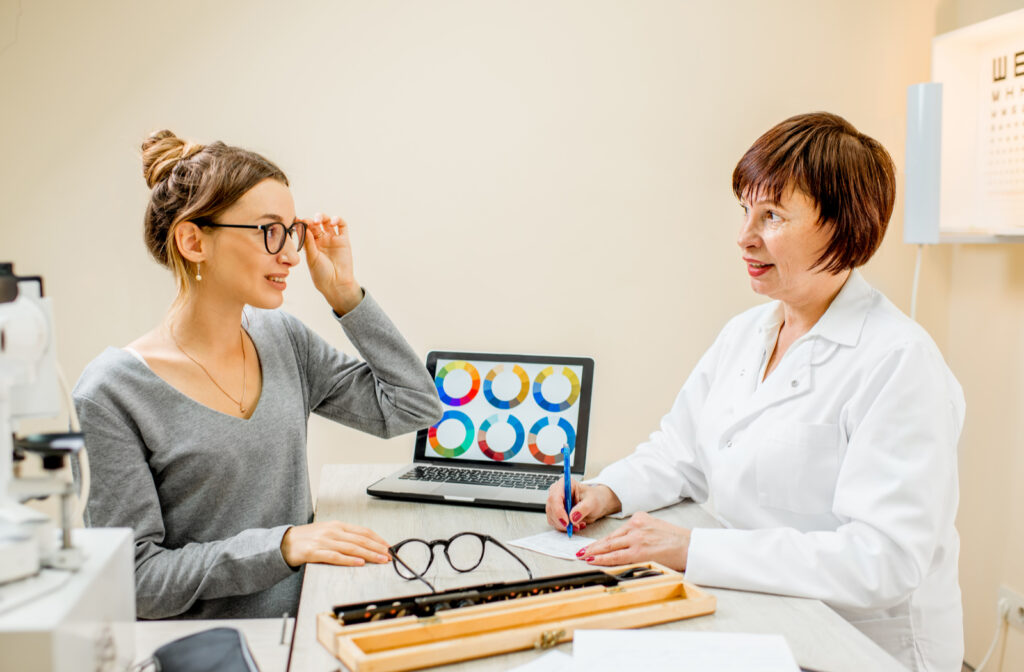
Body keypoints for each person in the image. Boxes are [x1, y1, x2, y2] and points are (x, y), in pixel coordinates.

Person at [546, 112, 964, 671]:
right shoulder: (746, 333)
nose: (745, 237)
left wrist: (693, 550)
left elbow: (881, 560)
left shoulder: (899, 362)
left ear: (844, 225)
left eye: (772, 216)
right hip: (754, 614)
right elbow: (682, 452)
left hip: (856, 647)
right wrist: (607, 491)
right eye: (746, 210)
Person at [73, 130, 443, 619]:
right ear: (192, 240)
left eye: (292, 231)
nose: (290, 254)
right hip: (210, 648)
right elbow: (133, 581)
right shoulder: (111, 393)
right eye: (270, 230)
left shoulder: (282, 339)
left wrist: (345, 296)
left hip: (311, 619)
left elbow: (412, 406)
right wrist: (282, 546)